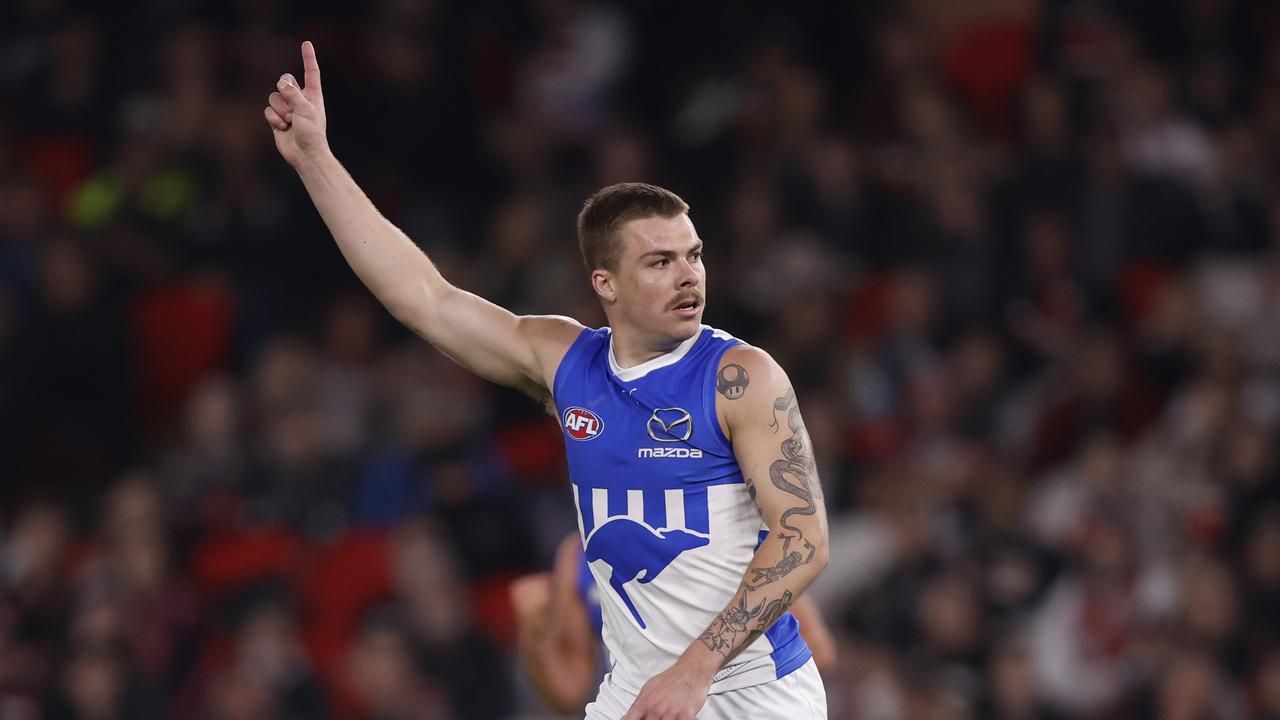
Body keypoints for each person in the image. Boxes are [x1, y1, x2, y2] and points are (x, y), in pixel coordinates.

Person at [264, 41, 830, 719]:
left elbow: (803, 539)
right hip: (637, 692)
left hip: (751, 693)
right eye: (660, 262)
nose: (688, 275)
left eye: (695, 255)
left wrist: (695, 670)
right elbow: (425, 297)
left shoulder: (739, 376)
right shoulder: (565, 363)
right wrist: (317, 161)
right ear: (606, 284)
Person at [510, 533, 838, 714]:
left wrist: (699, 671)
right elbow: (568, 694)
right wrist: (534, 631)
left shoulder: (736, 526)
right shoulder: (579, 553)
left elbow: (818, 650)